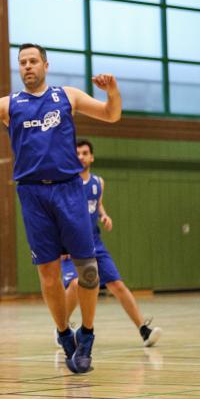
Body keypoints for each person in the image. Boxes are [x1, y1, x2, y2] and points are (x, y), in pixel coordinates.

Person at [0, 43, 122, 374]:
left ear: (46, 65)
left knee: (88, 270)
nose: (27, 66)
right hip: (33, 195)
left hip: (69, 191)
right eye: (22, 62)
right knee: (48, 275)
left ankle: (88, 336)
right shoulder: (8, 105)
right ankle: (66, 336)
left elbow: (111, 114)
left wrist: (112, 92)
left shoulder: (67, 97)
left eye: (33, 60)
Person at [58, 140, 161, 347]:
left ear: (92, 157)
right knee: (77, 284)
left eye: (85, 153)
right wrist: (61, 244)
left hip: (95, 242)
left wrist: (104, 216)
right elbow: (59, 213)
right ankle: (62, 328)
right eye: (77, 153)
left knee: (117, 285)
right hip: (72, 244)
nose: (81, 156)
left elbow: (97, 204)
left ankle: (143, 330)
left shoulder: (98, 183)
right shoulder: (67, 183)